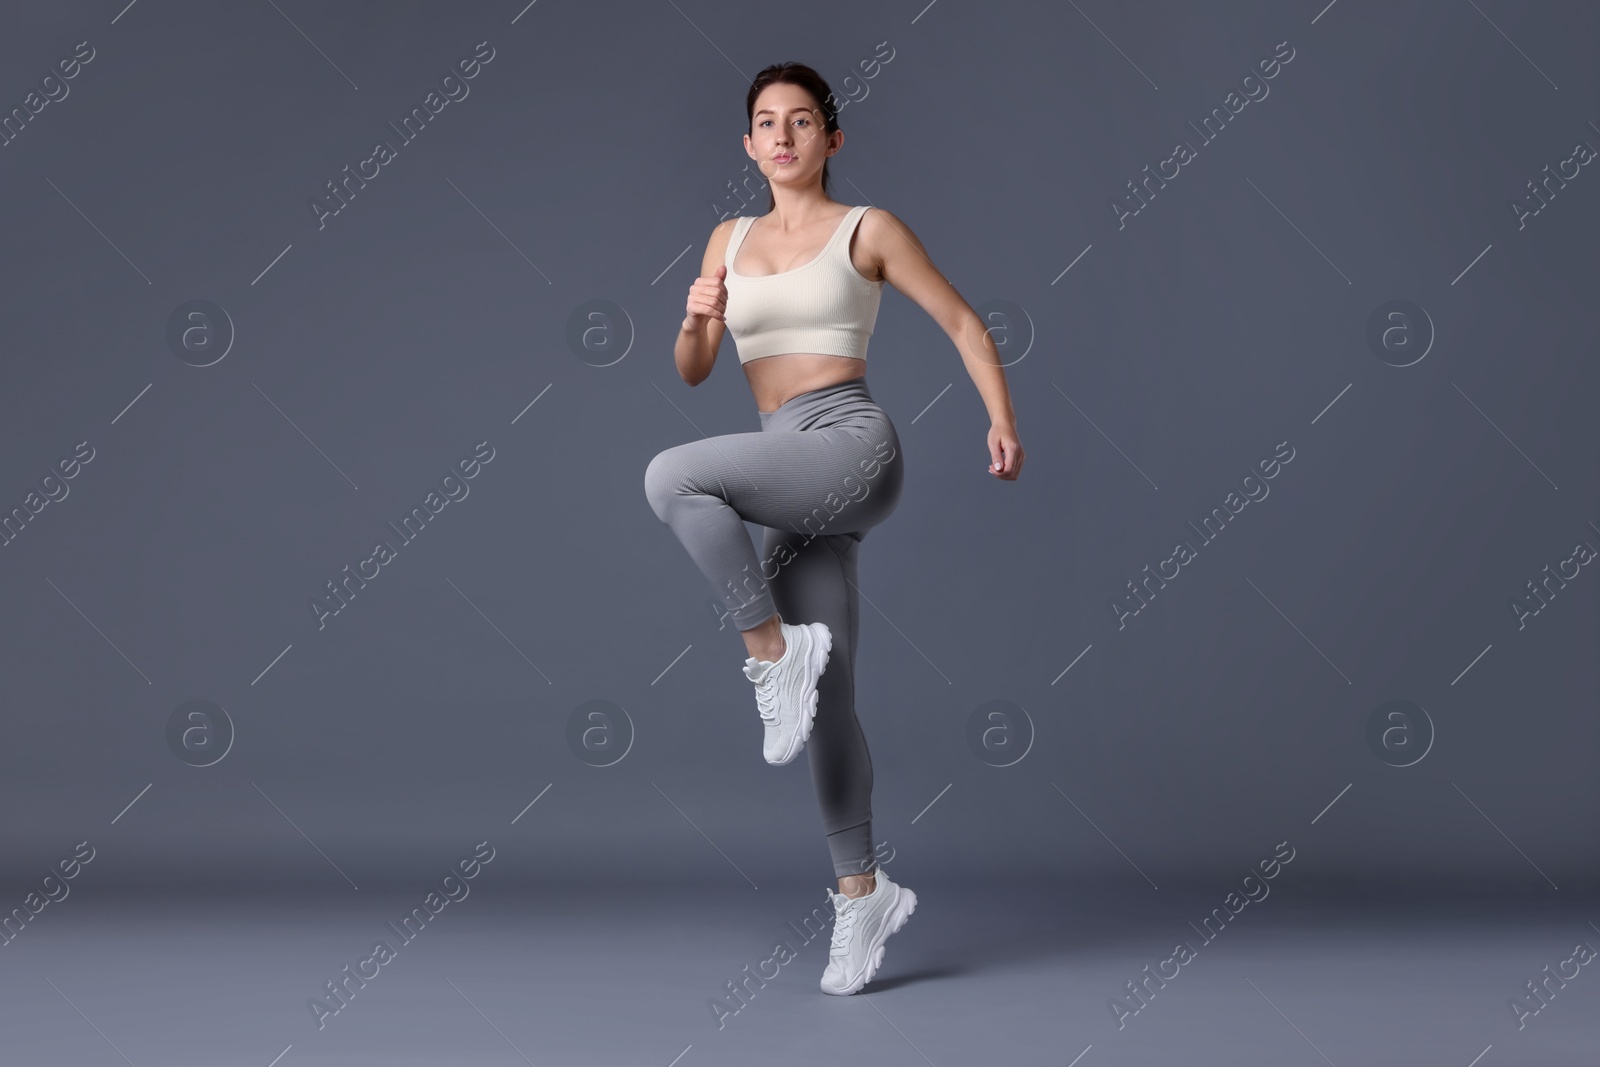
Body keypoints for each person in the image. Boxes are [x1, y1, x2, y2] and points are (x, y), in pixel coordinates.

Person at [644, 61, 1024, 995]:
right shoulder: (726, 239)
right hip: (784, 461)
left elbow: (965, 322)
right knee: (831, 701)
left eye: (803, 121)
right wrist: (694, 320)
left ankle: (772, 652)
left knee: (673, 476)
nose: (783, 136)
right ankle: (864, 893)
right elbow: (694, 368)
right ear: (748, 144)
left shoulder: (869, 229)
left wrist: (1000, 416)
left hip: (849, 444)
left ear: (831, 138)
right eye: (766, 123)